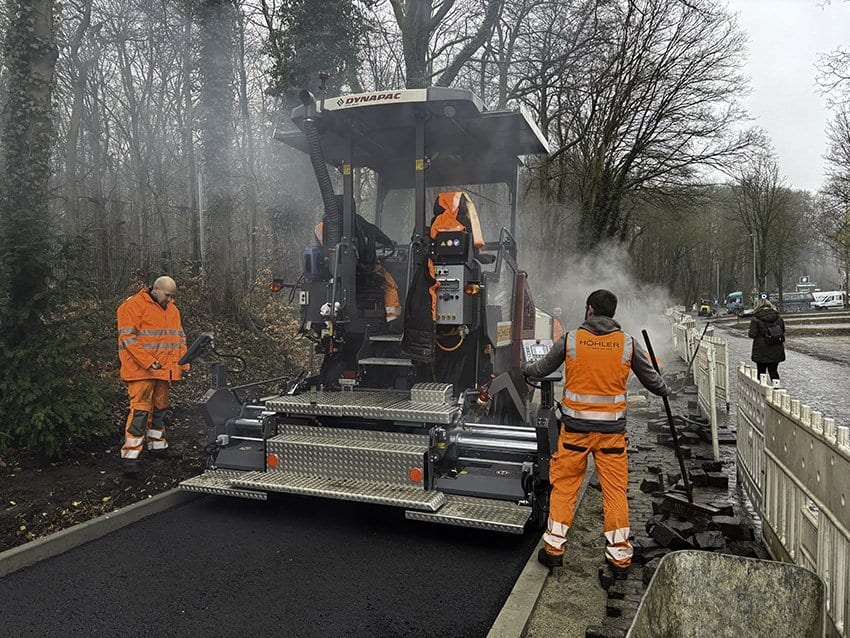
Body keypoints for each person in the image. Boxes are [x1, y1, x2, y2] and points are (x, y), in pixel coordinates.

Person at [522, 289, 669, 579]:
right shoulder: (627, 344)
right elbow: (652, 380)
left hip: (575, 434)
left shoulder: (571, 339)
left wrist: (525, 367)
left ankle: (553, 551)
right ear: (612, 313)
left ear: (589, 309)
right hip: (611, 437)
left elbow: (541, 369)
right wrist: (664, 388)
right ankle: (619, 558)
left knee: (564, 488)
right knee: (615, 493)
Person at [117, 276, 189, 474]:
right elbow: (128, 338)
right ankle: (130, 457)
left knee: (160, 408)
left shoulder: (172, 310)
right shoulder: (133, 306)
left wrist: (182, 363)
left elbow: (179, 338)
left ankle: (157, 446)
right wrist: (148, 362)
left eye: (173, 296)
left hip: (163, 370)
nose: (170, 299)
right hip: (141, 371)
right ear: (155, 289)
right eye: (167, 295)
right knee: (140, 410)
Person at [313, 196, 402, 322]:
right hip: (360, 269)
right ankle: (393, 321)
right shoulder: (355, 221)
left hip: (329, 272)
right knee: (390, 284)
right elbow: (373, 231)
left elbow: (320, 248)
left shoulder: (320, 227)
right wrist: (388, 242)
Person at [748, 298, 785, 381]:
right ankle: (776, 389)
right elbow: (782, 330)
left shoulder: (755, 319)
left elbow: (752, 334)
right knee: (773, 371)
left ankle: (761, 391)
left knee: (761, 372)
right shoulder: (778, 317)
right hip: (776, 347)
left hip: (761, 349)